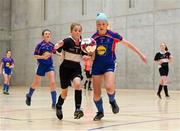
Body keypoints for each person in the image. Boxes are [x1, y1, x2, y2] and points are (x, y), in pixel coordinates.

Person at [91, 13, 147, 121]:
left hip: (109, 65)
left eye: (103, 24)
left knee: (109, 87)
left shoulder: (113, 35)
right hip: (97, 66)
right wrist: (88, 56)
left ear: (107, 25)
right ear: (96, 25)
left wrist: (140, 54)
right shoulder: (93, 38)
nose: (101, 26)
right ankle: (100, 112)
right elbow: (91, 55)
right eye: (99, 24)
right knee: (96, 94)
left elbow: (128, 44)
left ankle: (112, 101)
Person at [55, 23, 89, 120]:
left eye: (79, 30)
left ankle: (77, 109)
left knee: (78, 84)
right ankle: (59, 105)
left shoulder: (83, 44)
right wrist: (57, 45)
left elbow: (83, 55)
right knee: (64, 93)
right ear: (71, 31)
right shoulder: (67, 41)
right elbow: (56, 48)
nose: (77, 32)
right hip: (65, 68)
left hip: (76, 68)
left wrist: (86, 57)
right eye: (75, 30)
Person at [25, 29, 57, 109]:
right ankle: (29, 95)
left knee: (52, 82)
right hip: (41, 65)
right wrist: (43, 57)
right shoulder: (39, 45)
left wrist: (61, 55)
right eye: (46, 34)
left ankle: (54, 103)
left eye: (49, 34)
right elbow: (35, 56)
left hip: (49, 65)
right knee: (37, 83)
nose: (48, 35)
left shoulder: (51, 45)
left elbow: (55, 52)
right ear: (43, 36)